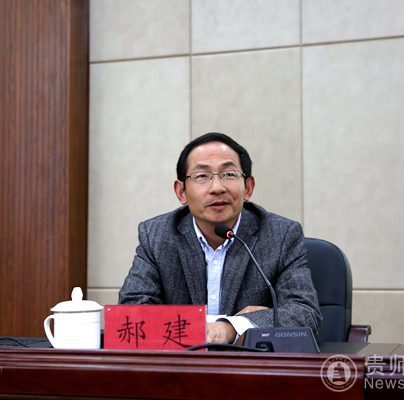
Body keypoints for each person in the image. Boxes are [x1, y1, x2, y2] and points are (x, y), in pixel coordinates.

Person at [119, 132, 322, 344]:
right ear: (181, 192)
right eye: (202, 176)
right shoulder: (157, 235)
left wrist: (230, 328)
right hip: (182, 362)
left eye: (229, 174)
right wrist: (204, 329)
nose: (217, 188)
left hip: (250, 363)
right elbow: (130, 312)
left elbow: (305, 313)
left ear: (248, 188)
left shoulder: (281, 235)